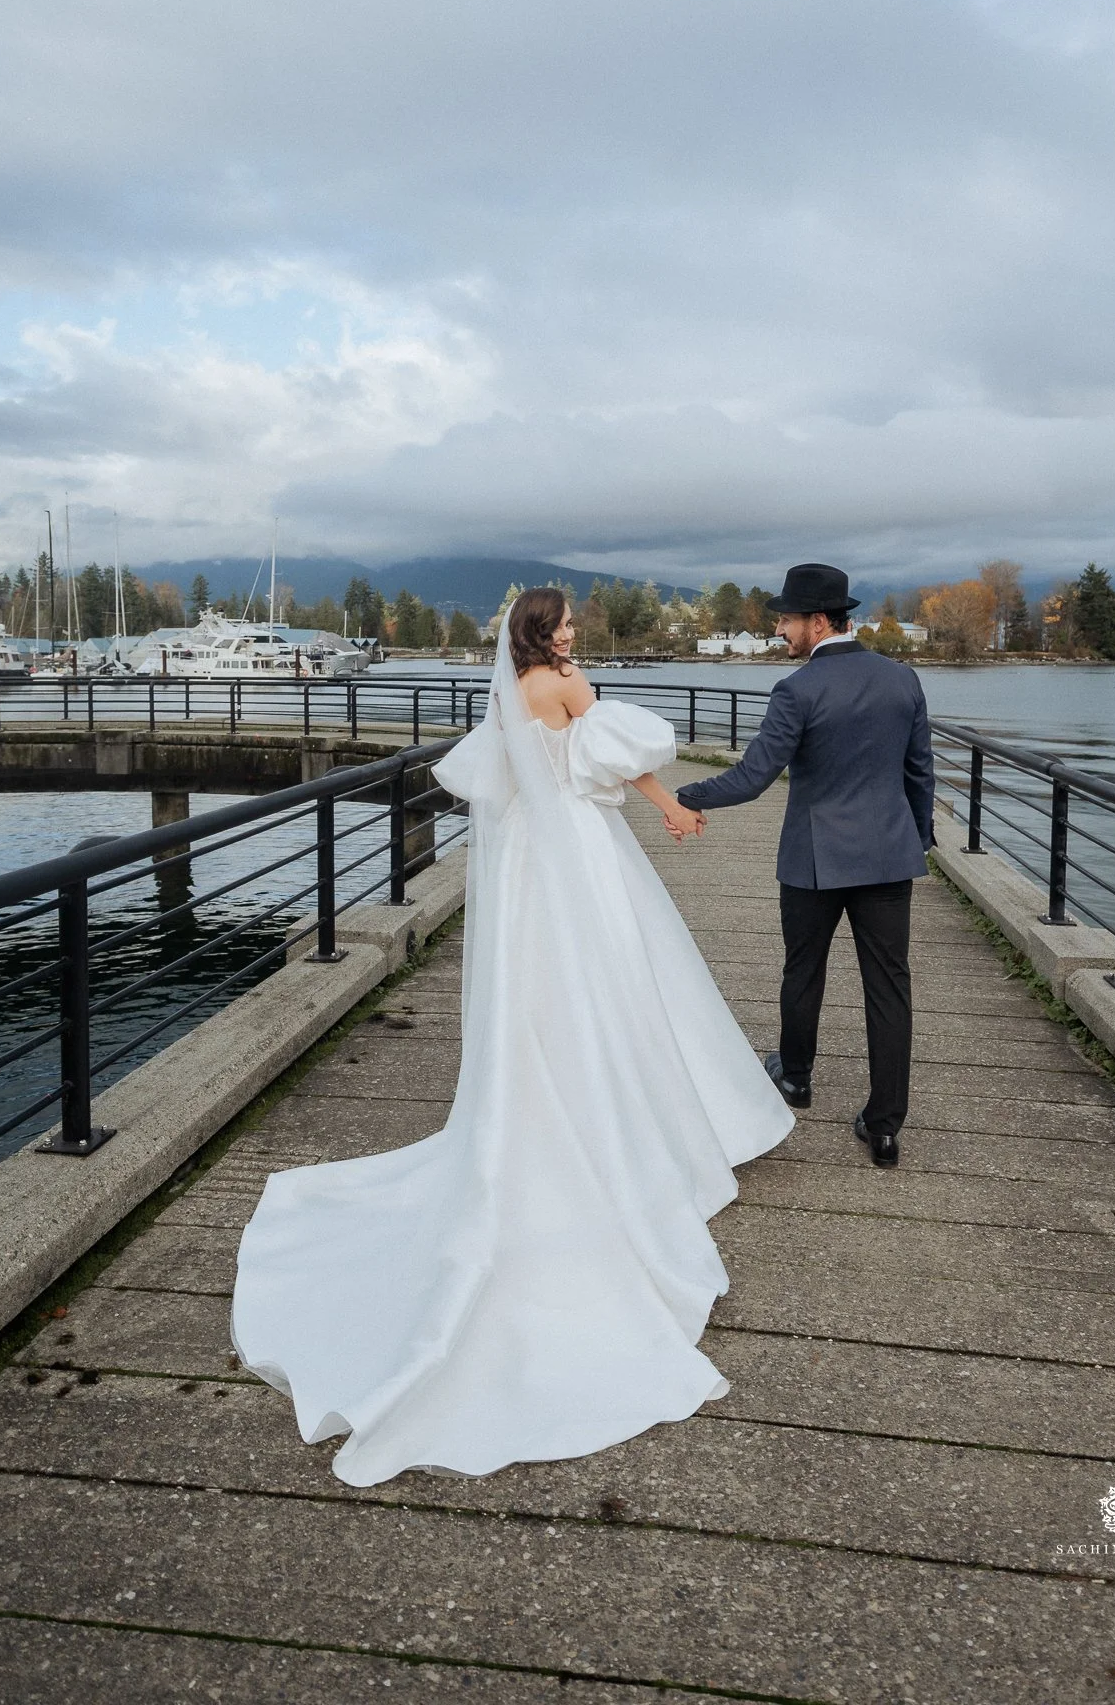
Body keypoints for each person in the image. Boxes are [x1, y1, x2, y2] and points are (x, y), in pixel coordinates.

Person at [230, 587, 793, 1485]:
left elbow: (504, 778)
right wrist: (673, 808)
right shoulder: (566, 684)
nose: (572, 631)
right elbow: (618, 763)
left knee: (539, 982)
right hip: (581, 846)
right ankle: (623, 1121)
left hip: (531, 855)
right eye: (563, 621)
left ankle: (546, 1090)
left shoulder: (507, 693)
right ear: (542, 631)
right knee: (618, 975)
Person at [675, 563, 934, 1166]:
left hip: (814, 859)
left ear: (818, 622)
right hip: (888, 857)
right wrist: (915, 840)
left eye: (786, 620)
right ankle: (885, 1126)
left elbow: (752, 777)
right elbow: (919, 771)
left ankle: (795, 1077)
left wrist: (684, 797)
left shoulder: (798, 689)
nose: (780, 631)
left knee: (803, 970)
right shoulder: (903, 679)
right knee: (890, 987)